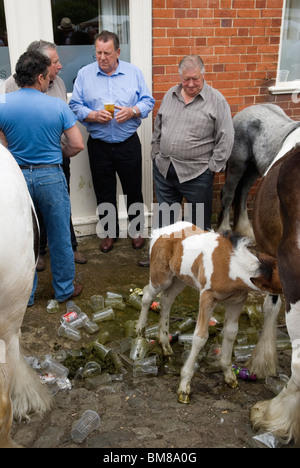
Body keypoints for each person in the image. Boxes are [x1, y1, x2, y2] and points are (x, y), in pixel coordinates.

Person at [0, 51, 85, 305]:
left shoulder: (3, 102)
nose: (50, 81)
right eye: (48, 76)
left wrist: (12, 149)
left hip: (18, 178)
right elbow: (77, 145)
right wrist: (58, 154)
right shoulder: (57, 105)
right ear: (39, 77)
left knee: (25, 238)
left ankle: (25, 295)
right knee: (59, 235)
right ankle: (63, 290)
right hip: (50, 175)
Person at [138, 55, 234, 267]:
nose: (191, 84)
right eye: (186, 79)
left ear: (203, 74)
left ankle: (197, 265)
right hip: (165, 171)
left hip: (196, 174)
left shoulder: (216, 101)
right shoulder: (170, 95)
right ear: (180, 76)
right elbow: (158, 127)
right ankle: (161, 260)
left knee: (198, 224)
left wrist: (212, 167)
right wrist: (155, 153)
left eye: (195, 79)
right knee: (166, 221)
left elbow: (226, 138)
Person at [69, 30, 155, 253]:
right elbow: (75, 105)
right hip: (99, 144)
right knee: (104, 190)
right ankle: (109, 232)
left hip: (128, 142)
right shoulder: (85, 75)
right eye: (98, 53)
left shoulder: (133, 72)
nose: (102, 58)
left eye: (107, 53)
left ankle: (136, 230)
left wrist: (133, 110)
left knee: (133, 188)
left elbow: (148, 101)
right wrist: (93, 115)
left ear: (117, 52)